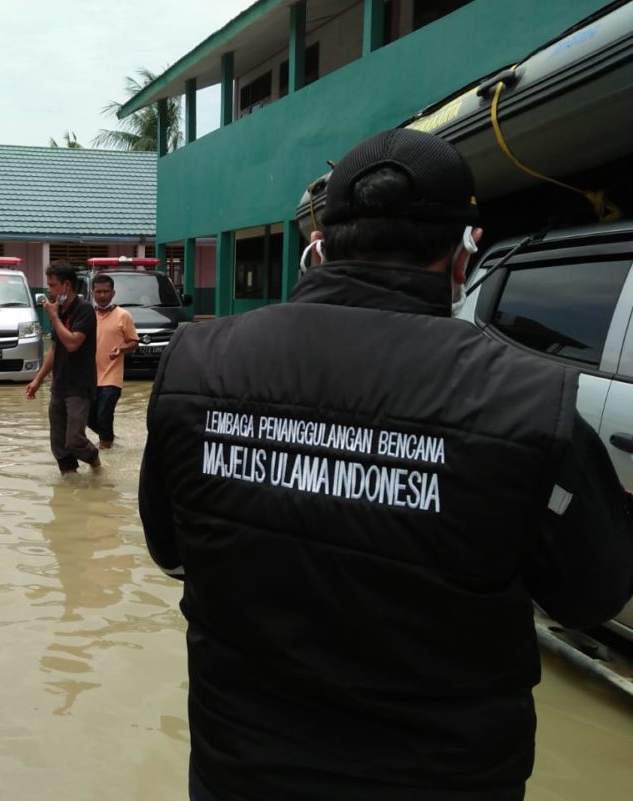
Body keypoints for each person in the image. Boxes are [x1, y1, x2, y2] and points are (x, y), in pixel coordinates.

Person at [138, 128, 633, 801]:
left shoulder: (195, 365)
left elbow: (171, 550)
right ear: (465, 252)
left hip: (241, 772)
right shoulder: (531, 404)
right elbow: (593, 596)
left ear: (321, 244)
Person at [25, 260, 101, 474]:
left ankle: (97, 467)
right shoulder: (59, 312)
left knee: (74, 440)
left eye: (52, 285)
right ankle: (69, 485)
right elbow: (56, 350)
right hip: (59, 385)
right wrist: (37, 380)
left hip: (79, 386)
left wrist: (54, 318)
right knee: (58, 444)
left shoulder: (84, 310)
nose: (48, 290)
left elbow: (73, 343)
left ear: (66, 286)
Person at [88, 273, 139, 449]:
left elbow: (134, 342)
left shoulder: (123, 315)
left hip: (112, 377)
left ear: (113, 293)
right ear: (92, 292)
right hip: (89, 377)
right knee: (88, 417)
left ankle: (105, 449)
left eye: (106, 292)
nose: (102, 295)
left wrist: (122, 349)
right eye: (98, 291)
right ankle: (110, 441)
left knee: (104, 416)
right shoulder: (87, 315)